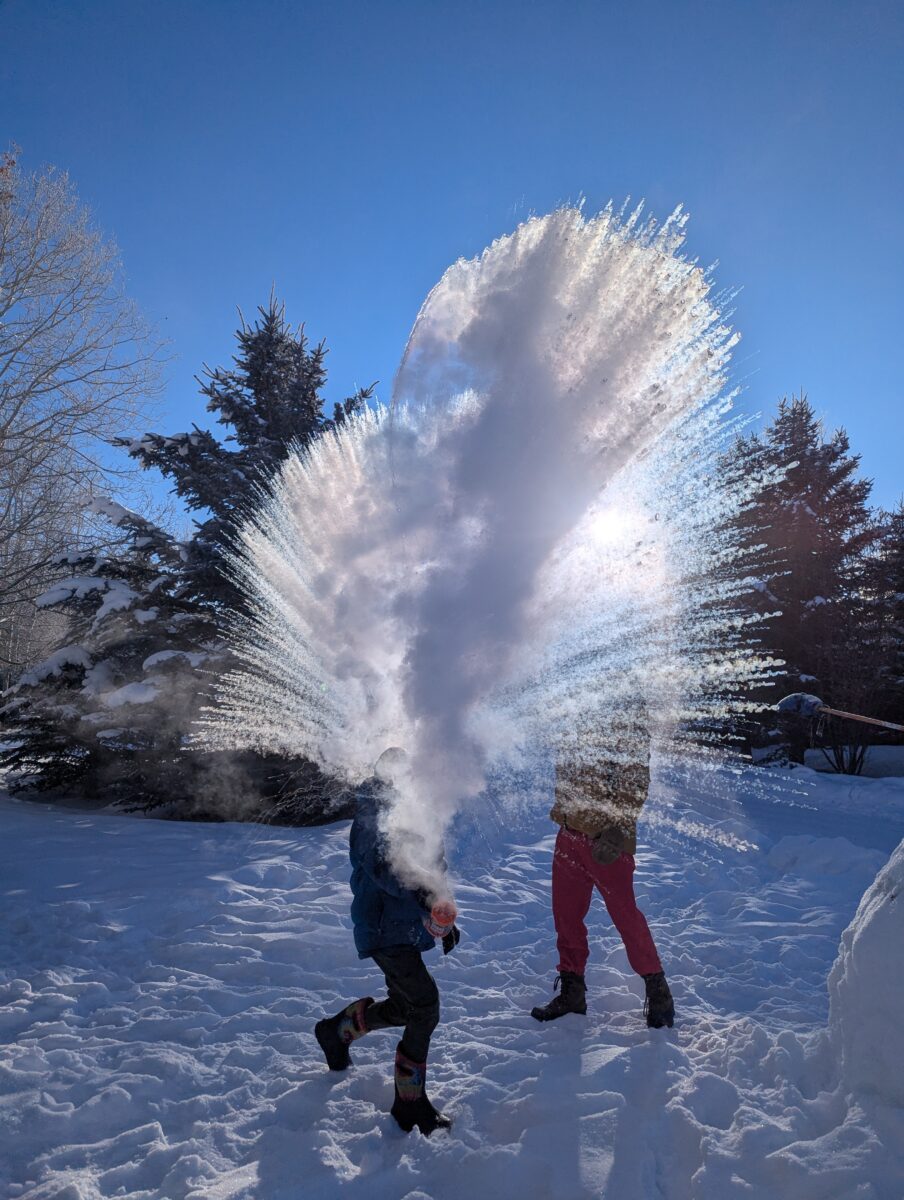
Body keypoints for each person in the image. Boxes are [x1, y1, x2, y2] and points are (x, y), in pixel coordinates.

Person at [314, 748, 460, 1136]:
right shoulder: (372, 812)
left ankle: (338, 1031)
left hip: (406, 926)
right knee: (425, 1007)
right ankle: (409, 1105)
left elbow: (434, 864)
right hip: (382, 927)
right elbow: (384, 868)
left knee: (405, 1008)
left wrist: (441, 909)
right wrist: (424, 897)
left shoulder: (422, 807)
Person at [531, 709, 674, 1028]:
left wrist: (619, 829)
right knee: (565, 916)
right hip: (569, 835)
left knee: (625, 917)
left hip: (606, 841)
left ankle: (658, 990)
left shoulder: (626, 719)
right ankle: (572, 992)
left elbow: (636, 781)